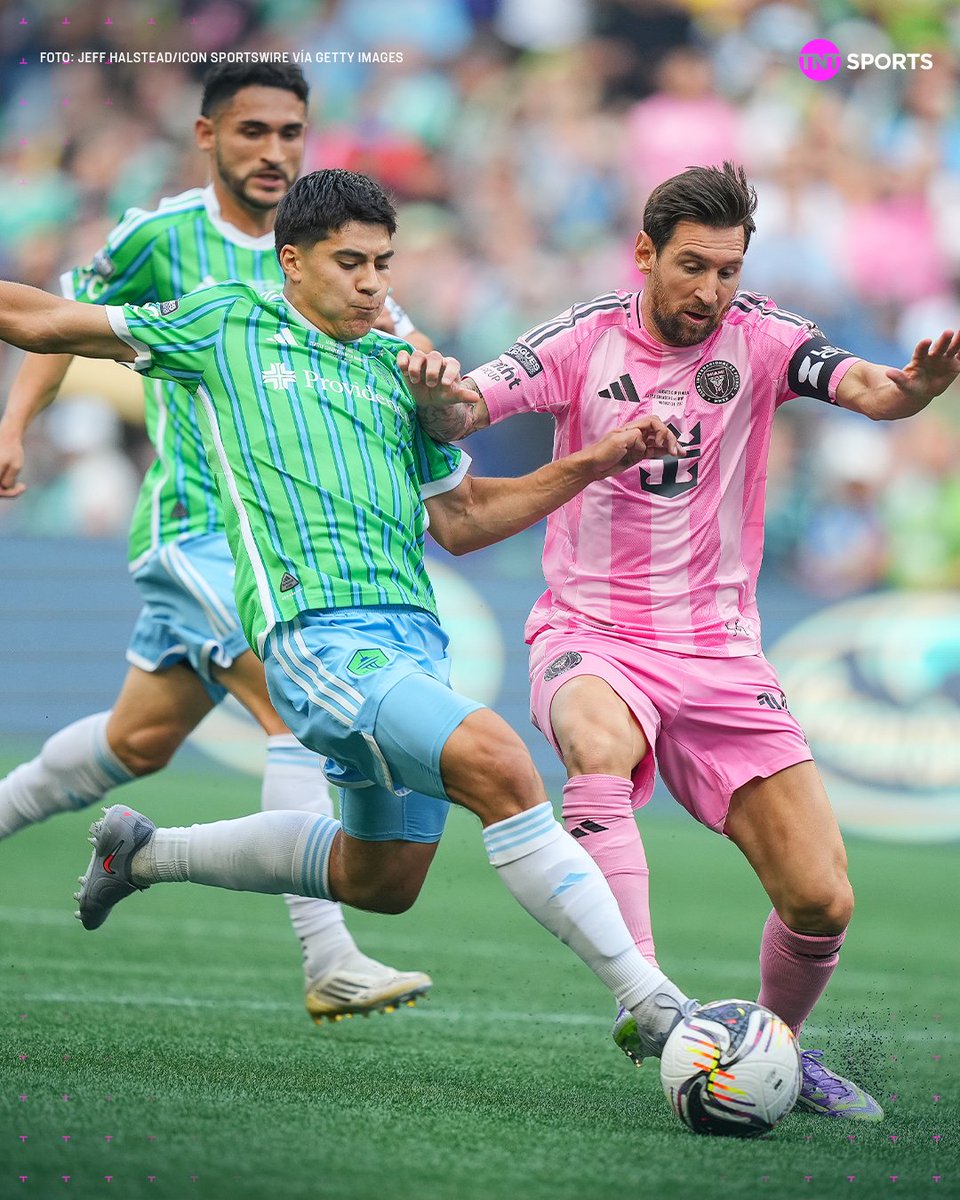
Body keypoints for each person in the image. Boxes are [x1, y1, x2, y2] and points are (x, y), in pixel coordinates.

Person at [0, 167, 704, 1070]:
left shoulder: (393, 372)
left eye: (383, 262)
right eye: (351, 263)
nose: (374, 283)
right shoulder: (226, 324)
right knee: (497, 761)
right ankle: (656, 1004)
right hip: (316, 639)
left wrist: (595, 459)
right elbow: (42, 320)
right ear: (292, 263)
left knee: (384, 880)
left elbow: (465, 519)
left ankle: (143, 854)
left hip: (412, 639)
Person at [422, 162, 960, 1120]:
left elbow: (862, 383)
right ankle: (656, 1005)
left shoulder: (762, 335)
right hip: (591, 630)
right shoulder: (579, 340)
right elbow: (468, 405)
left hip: (718, 650)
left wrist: (911, 392)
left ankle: (776, 1053)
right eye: (693, 267)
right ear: (645, 254)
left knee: (821, 901)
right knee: (597, 743)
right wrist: (434, 393)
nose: (711, 290)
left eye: (727, 268)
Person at [0, 62, 434, 1023]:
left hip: (280, 546)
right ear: (208, 137)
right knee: (296, 708)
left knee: (135, 742)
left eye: (291, 132)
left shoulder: (337, 256)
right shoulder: (163, 237)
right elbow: (61, 321)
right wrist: (13, 424)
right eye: (252, 133)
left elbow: (408, 361)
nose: (274, 151)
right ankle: (329, 956)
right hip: (199, 528)